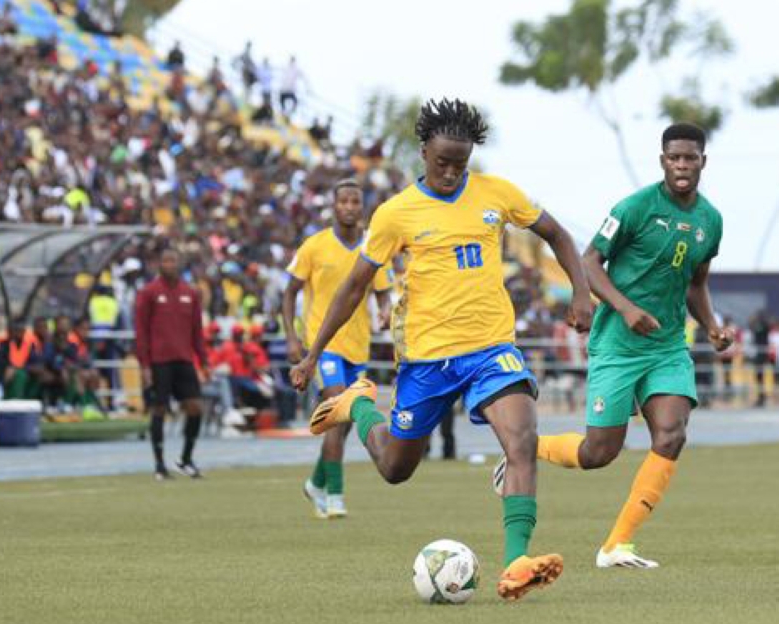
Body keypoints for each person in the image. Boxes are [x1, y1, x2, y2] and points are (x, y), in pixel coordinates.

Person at [289, 99, 592, 601]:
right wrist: (311, 352)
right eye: (442, 162)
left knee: (521, 441)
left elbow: (557, 234)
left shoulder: (498, 194)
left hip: (491, 349)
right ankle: (358, 405)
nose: (451, 172)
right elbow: (352, 287)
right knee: (394, 468)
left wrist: (582, 293)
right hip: (426, 359)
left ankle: (517, 559)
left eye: (461, 163)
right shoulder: (395, 214)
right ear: (424, 151)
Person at [520, 123, 730, 569]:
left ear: (702, 162)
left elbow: (696, 284)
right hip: (618, 343)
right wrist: (626, 308)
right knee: (599, 453)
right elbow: (589, 263)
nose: (681, 165)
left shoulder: (710, 221)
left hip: (667, 345)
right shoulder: (634, 208)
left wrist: (712, 324)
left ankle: (616, 544)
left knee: (672, 434)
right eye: (674, 157)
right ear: (662, 161)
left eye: (690, 158)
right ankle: (526, 447)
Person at [282, 179, 392, 519]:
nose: (349, 206)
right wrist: (291, 337)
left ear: (362, 206)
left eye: (355, 201)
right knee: (341, 407)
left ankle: (316, 482)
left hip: (358, 347)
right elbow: (289, 293)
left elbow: (382, 290)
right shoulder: (314, 246)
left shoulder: (372, 248)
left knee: (342, 422)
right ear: (334, 205)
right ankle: (334, 497)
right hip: (322, 345)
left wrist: (386, 308)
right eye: (343, 200)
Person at [135, 247, 209, 480]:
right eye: (165, 260)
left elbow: (197, 331)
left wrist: (204, 361)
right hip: (159, 361)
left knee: (196, 407)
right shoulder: (149, 292)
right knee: (159, 409)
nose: (169, 264)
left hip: (184, 359)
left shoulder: (190, 293)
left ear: (180, 263)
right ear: (159, 264)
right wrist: (145, 365)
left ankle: (185, 459)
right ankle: (159, 465)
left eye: (173, 260)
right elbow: (141, 331)